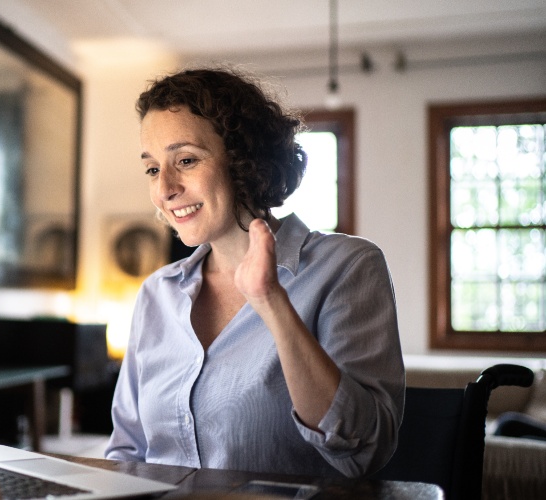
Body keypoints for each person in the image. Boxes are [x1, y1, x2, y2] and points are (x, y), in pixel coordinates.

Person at [104, 66, 404, 478]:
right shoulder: (157, 292)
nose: (165, 189)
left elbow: (363, 451)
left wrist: (272, 302)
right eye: (153, 169)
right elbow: (127, 450)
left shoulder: (348, 266)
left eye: (186, 160)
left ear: (244, 161)